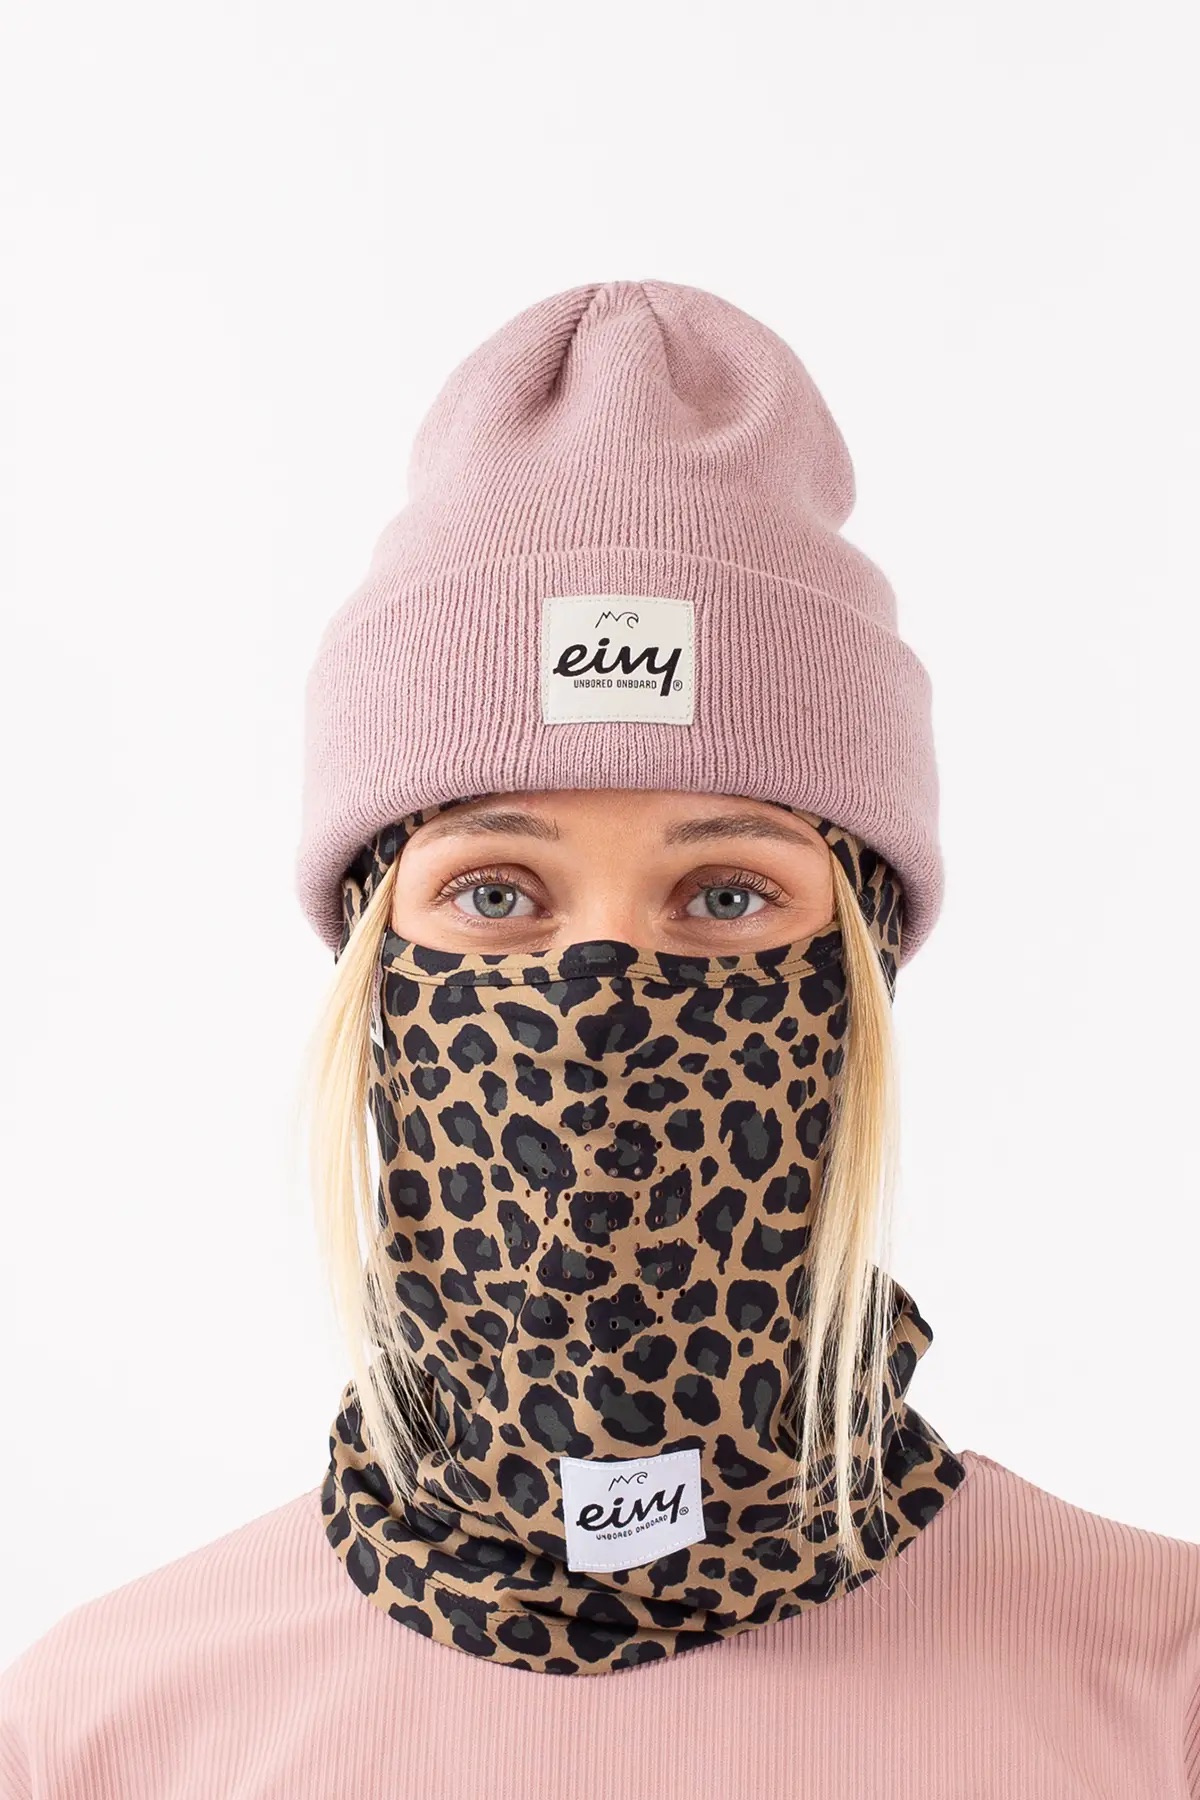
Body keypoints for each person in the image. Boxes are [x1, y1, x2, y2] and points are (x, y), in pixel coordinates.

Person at [1, 279, 1197, 1796]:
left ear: (860, 985)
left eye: (728, 895)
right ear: (374, 978)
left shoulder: (1164, 1689)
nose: (601, 1008)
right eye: (494, 892)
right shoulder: (100, 1734)